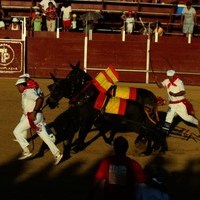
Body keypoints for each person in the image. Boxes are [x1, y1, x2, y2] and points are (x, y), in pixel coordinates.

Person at [13, 78, 63, 165]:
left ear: (21, 85)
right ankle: (57, 154)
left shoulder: (28, 92)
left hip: (33, 117)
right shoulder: (28, 91)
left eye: (18, 87)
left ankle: (26, 151)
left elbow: (39, 99)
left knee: (16, 131)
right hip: (36, 118)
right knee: (45, 137)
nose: (17, 89)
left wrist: (35, 111)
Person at [89, 136, 146, 200]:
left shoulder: (106, 162)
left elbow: (97, 179)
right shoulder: (134, 164)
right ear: (127, 148)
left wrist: (91, 194)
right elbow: (142, 181)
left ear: (114, 148)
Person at [155, 69, 200, 136]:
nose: (169, 78)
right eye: (168, 76)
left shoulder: (179, 82)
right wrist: (156, 80)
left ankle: (197, 123)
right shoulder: (166, 81)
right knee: (168, 117)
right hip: (172, 104)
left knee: (186, 118)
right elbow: (160, 86)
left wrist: (175, 94)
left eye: (170, 76)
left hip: (180, 104)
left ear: (173, 75)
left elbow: (183, 92)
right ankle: (164, 132)